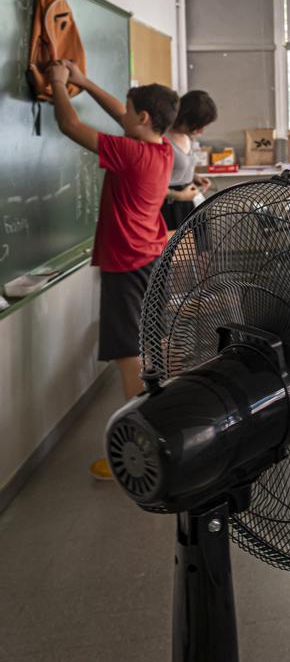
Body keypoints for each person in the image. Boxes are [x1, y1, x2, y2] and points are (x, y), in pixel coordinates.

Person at [47, 60, 178, 480]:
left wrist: (57, 84)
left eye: (127, 109)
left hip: (129, 265)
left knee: (129, 358)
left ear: (141, 118)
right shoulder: (160, 149)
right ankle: (160, 436)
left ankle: (141, 453)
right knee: (146, 352)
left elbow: (70, 125)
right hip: (151, 259)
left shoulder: (130, 154)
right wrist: (85, 82)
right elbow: (126, 118)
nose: (120, 115)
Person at [161, 90, 217, 231]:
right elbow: (151, 183)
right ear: (186, 118)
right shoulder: (162, 139)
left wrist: (196, 178)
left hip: (190, 203)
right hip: (170, 206)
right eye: (199, 125)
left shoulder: (188, 137)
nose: (201, 131)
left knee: (198, 250)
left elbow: (179, 169)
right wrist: (179, 195)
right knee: (175, 250)